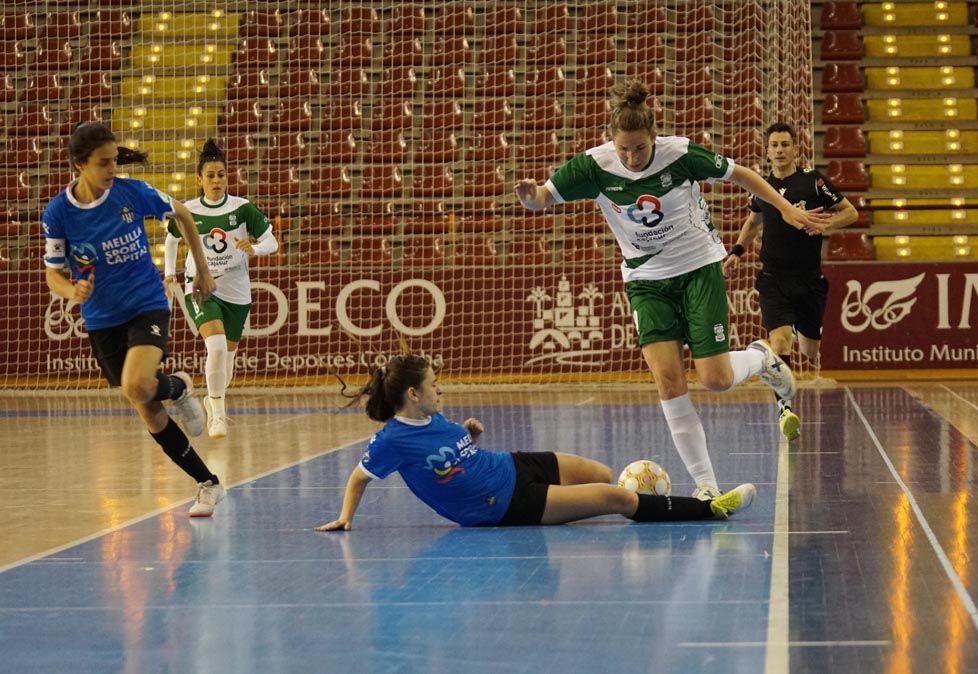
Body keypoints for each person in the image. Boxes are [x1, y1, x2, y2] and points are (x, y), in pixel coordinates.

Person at [514, 80, 829, 501]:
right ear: (612, 140)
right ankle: (707, 488)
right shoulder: (593, 167)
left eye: (639, 148)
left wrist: (786, 208)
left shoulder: (679, 154)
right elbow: (543, 199)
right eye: (623, 149)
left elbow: (743, 175)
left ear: (653, 138)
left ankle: (761, 358)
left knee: (715, 379)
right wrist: (530, 197)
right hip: (646, 281)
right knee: (668, 381)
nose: (631, 157)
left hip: (698, 267)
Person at [314, 354, 756, 531]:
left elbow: (446, 457)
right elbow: (358, 478)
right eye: (434, 384)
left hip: (512, 464)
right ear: (412, 394)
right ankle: (709, 508)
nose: (440, 389)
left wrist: (468, 437)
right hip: (505, 505)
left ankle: (583, 503)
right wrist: (345, 518)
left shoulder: (431, 415)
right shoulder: (391, 440)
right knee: (617, 497)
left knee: (601, 472)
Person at [42, 123, 225, 517]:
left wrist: (204, 270)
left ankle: (176, 386)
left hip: (146, 303)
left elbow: (183, 217)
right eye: (103, 163)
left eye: (114, 161)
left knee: (137, 384)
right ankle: (208, 482)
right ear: (79, 165)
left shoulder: (132, 192)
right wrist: (70, 290)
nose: (113, 169)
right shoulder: (58, 213)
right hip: (101, 317)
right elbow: (52, 272)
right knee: (144, 402)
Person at [722, 122, 858, 441]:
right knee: (780, 342)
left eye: (786, 144)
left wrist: (825, 224)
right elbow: (753, 221)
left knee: (809, 352)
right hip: (773, 279)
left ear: (796, 148)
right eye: (775, 145)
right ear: (767, 151)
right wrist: (737, 252)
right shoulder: (763, 187)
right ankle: (785, 410)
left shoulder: (814, 181)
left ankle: (799, 331)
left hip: (809, 281)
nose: (780, 150)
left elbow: (850, 212)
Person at [163, 139, 277, 439]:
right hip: (200, 286)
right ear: (199, 179)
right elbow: (172, 238)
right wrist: (169, 273)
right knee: (213, 347)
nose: (217, 180)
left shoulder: (242, 209)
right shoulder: (188, 210)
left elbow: (272, 241)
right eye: (210, 175)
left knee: (225, 365)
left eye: (222, 174)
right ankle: (219, 414)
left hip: (236, 290)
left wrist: (254, 249)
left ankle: (214, 401)